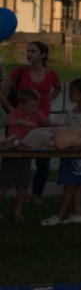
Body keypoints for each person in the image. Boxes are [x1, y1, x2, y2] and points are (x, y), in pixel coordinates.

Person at [0, 41, 62, 205]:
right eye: (28, 51)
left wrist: (47, 103)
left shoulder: (51, 74)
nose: (29, 54)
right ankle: (18, 191)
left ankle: (36, 194)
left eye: (33, 51)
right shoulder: (19, 72)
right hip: (20, 124)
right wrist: (12, 110)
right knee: (16, 160)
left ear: (42, 54)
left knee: (43, 160)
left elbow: (58, 88)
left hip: (42, 121)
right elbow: (2, 92)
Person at [41, 78, 81, 226]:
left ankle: (59, 215)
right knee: (74, 183)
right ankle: (78, 214)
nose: (69, 94)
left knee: (71, 184)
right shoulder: (70, 113)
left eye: (72, 92)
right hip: (70, 153)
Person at [0, 88, 52, 222]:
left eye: (36, 106)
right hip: (13, 154)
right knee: (4, 184)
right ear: (22, 105)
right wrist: (22, 122)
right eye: (32, 106)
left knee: (23, 185)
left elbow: (44, 120)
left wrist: (50, 125)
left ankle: (18, 213)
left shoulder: (36, 113)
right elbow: (6, 121)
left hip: (26, 154)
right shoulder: (16, 112)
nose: (35, 109)